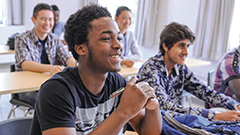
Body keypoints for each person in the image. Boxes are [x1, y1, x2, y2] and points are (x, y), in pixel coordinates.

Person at [30, 4, 162, 135]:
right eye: (106, 39)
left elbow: (149, 132)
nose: (118, 45)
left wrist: (153, 106)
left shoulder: (117, 84)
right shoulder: (56, 91)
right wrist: (123, 112)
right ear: (81, 48)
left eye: (119, 38)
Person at [137, 22, 240, 121]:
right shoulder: (150, 69)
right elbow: (164, 107)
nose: (186, 52)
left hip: (170, 123)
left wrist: (235, 104)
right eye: (181, 46)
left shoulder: (180, 68)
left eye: (187, 46)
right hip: (147, 127)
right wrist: (215, 116)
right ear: (166, 46)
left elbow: (204, 91)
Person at [14, 3, 76, 106]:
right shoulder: (21, 39)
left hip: (49, 84)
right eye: (43, 19)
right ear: (33, 20)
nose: (47, 23)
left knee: (72, 97)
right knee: (55, 103)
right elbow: (25, 64)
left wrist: (78, 66)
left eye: (50, 19)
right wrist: (50, 68)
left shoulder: (54, 39)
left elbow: (67, 57)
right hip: (27, 88)